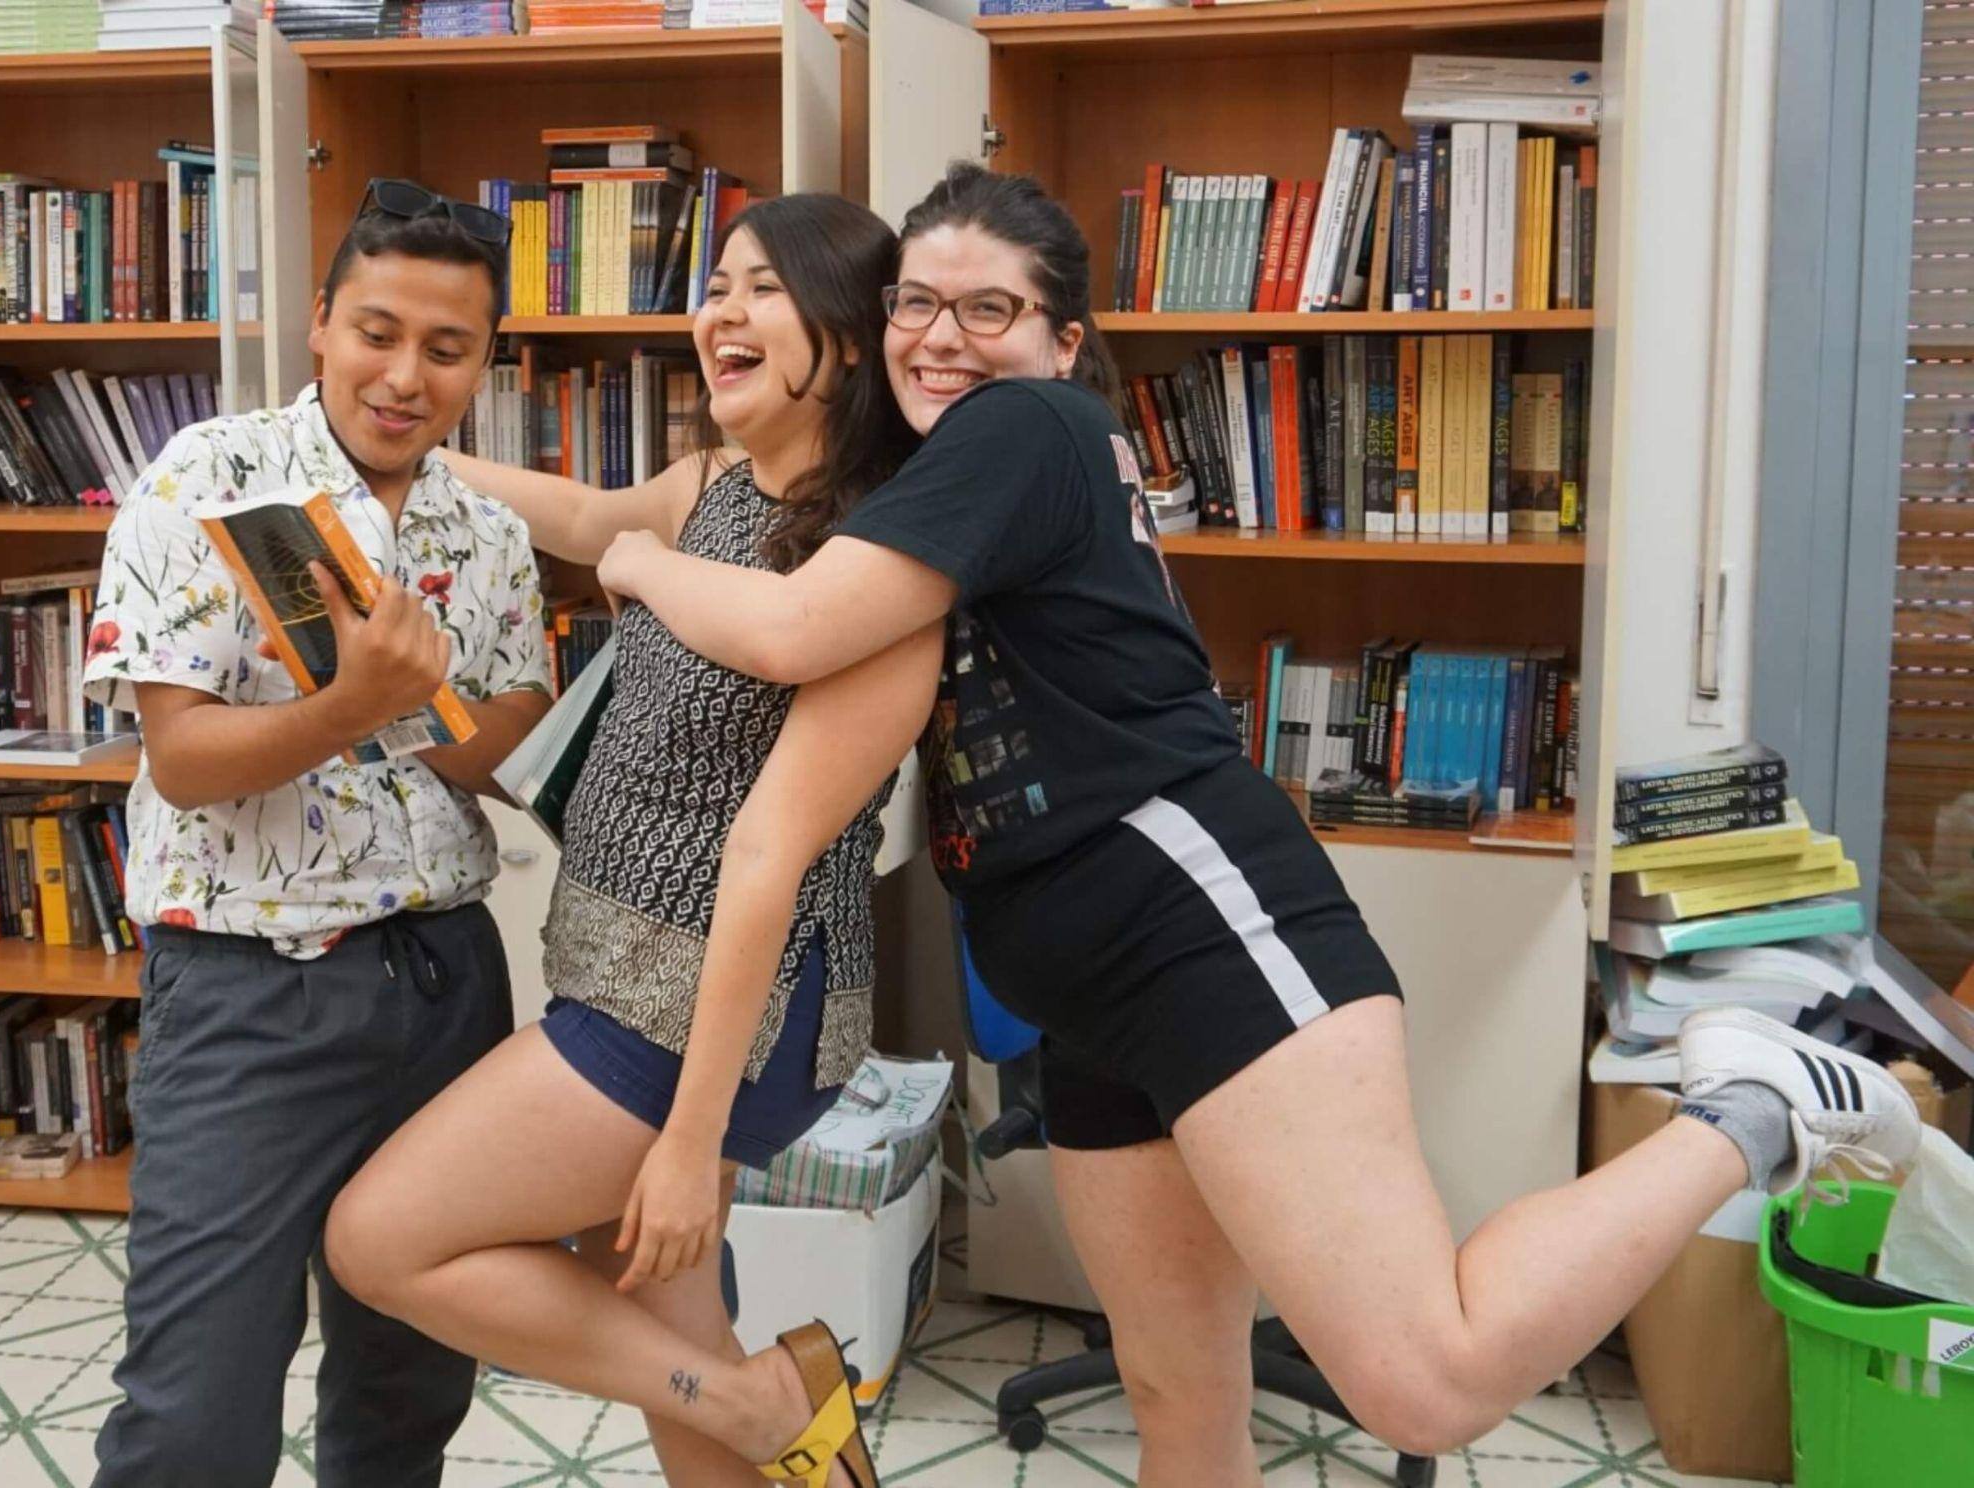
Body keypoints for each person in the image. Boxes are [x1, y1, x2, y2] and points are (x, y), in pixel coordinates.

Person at [579, 164, 1925, 1487]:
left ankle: (1752, 1104)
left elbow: (795, 629)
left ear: (1062, 341)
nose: (941, 337)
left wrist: (638, 561)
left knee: (1424, 1379)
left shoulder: (1024, 425)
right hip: (1086, 981)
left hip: (1191, 916)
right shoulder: (944, 483)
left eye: (988, 309)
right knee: (1179, 1395)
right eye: (916, 304)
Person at [319, 194, 935, 1488]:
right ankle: (766, 1424)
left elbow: (770, 859)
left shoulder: (877, 554)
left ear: (847, 331)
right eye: (717, 285)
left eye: (761, 288)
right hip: (621, 976)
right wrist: (386, 438)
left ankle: (765, 1403)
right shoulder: (711, 484)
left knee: (381, 1240)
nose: (720, 311)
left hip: (720, 1012)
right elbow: (595, 525)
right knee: (663, 1322)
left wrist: (691, 1145)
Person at [84, 181, 555, 1487]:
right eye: (377, 332)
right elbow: (182, 763)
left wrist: (451, 713)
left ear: (484, 362)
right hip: (248, 989)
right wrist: (356, 700)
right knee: (195, 1409)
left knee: (408, 1384)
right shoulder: (203, 479)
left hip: (448, 979)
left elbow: (502, 742)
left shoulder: (491, 534)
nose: (404, 376)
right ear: (321, 324)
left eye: (446, 349)